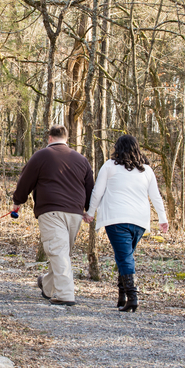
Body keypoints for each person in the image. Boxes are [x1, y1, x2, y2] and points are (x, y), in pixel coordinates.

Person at [83, 134, 168, 312]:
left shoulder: (109, 166)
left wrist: (90, 213)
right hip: (139, 221)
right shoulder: (146, 170)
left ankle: (132, 297)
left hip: (116, 219)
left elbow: (97, 192)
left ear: (117, 148)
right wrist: (162, 218)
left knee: (124, 257)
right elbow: (156, 197)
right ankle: (122, 296)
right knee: (124, 256)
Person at [11, 125, 94, 306]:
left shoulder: (42, 155)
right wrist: (89, 209)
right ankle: (48, 287)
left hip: (51, 210)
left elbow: (26, 179)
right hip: (75, 213)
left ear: (49, 138)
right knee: (61, 252)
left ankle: (65, 295)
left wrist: (18, 200)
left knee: (58, 252)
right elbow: (90, 187)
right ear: (66, 138)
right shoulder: (81, 159)